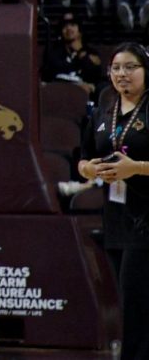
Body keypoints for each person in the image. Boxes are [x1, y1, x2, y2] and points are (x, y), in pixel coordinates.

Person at [79, 43, 149, 360]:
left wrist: (135, 168)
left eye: (131, 67)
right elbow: (81, 160)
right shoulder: (105, 106)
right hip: (116, 213)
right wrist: (90, 168)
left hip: (145, 216)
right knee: (127, 297)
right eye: (116, 67)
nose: (122, 74)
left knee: (136, 298)